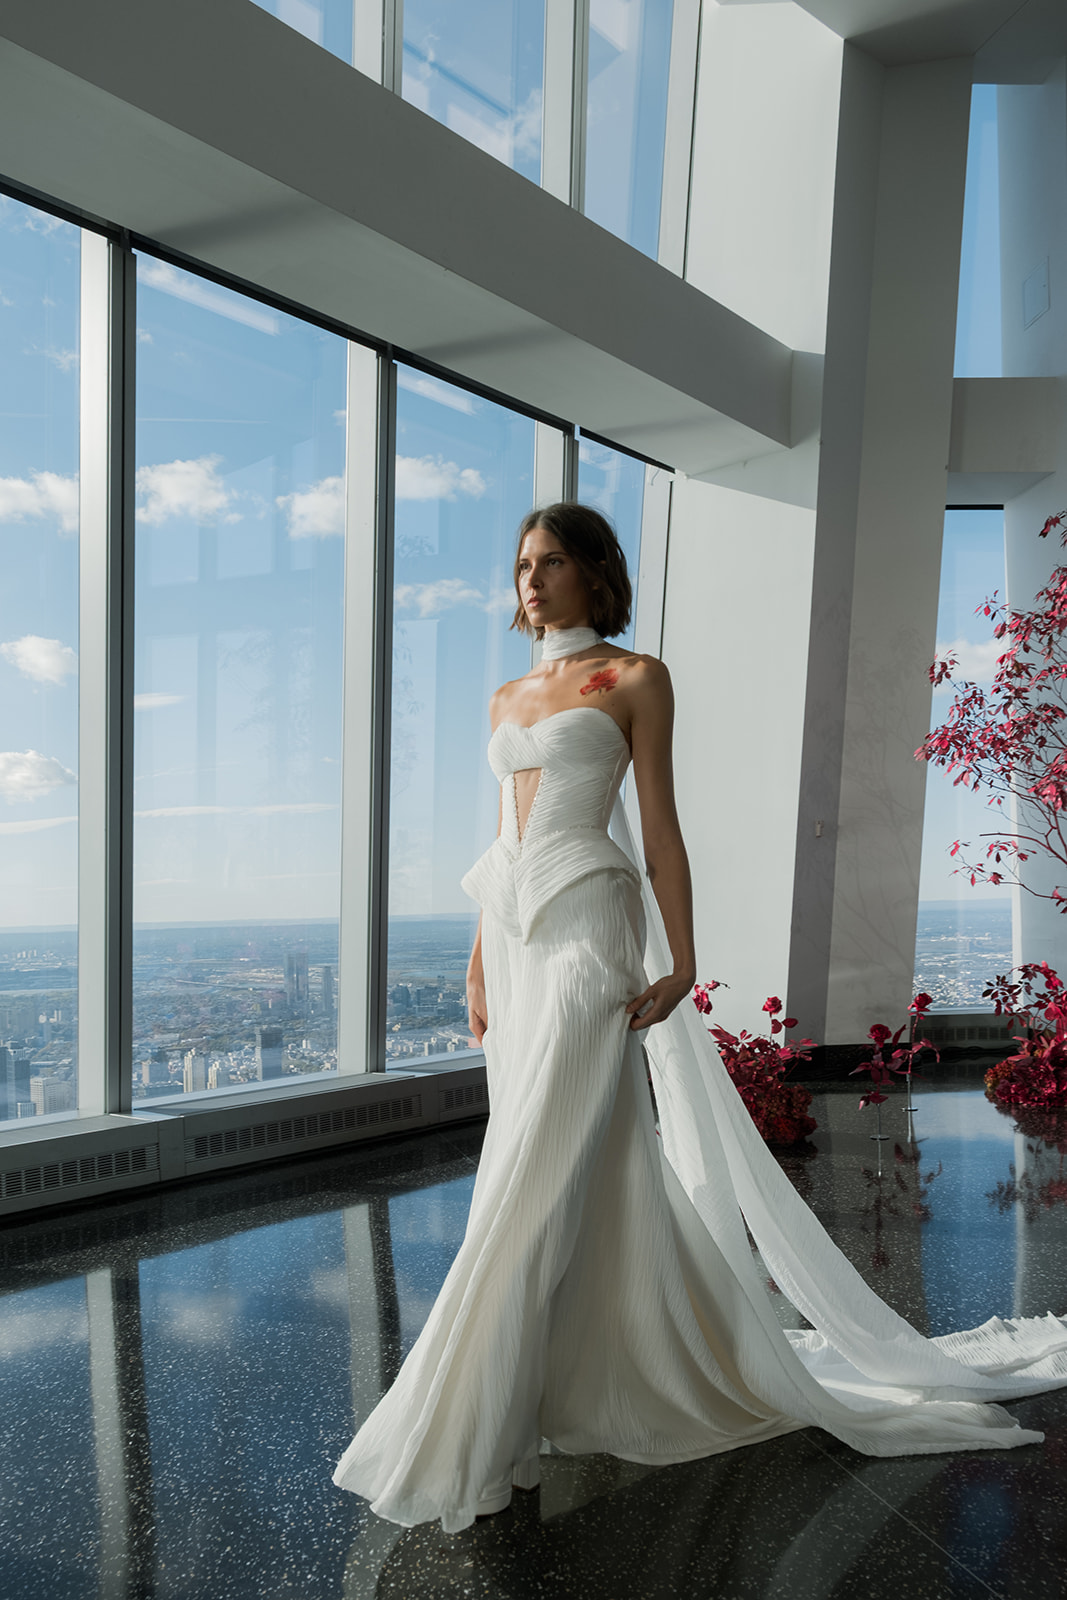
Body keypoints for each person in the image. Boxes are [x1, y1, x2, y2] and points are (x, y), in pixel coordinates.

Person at [334, 503, 1067, 1533]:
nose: (529, 581)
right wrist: (475, 962)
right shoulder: (504, 695)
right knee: (550, 1162)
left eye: (551, 562)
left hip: (591, 932)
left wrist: (682, 959)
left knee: (535, 1163)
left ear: (594, 571)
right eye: (521, 564)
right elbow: (501, 838)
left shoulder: (636, 677)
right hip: (515, 944)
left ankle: (472, 1417)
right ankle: (565, 1378)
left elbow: (660, 831)